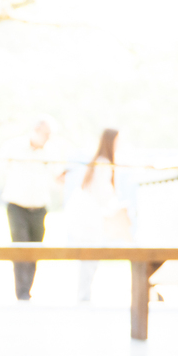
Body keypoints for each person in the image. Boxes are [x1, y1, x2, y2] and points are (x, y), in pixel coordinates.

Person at [0, 117, 66, 300]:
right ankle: (21, 291)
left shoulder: (50, 152)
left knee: (35, 249)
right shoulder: (13, 147)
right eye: (45, 134)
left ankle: (27, 288)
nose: (48, 138)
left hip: (39, 207)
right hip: (17, 206)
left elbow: (60, 178)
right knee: (20, 246)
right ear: (36, 131)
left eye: (50, 135)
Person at [66, 128, 130, 302]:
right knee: (89, 256)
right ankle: (83, 296)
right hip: (87, 215)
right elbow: (102, 192)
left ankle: (84, 295)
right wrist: (117, 205)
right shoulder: (103, 163)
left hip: (91, 214)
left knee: (91, 256)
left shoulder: (103, 162)